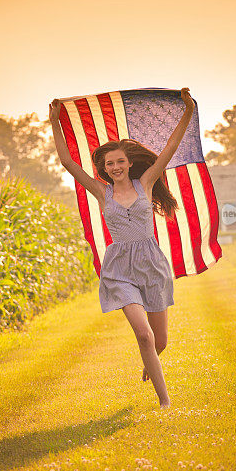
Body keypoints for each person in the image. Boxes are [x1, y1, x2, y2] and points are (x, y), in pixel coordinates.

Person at [49, 88, 195, 409]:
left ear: (129, 163)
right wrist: (54, 120)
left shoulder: (145, 184)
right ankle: (165, 402)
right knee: (144, 336)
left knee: (160, 342)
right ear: (104, 168)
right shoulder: (102, 192)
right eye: (109, 163)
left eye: (120, 162)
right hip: (120, 270)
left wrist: (188, 109)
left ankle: (150, 361)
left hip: (151, 266)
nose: (115, 167)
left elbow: (170, 147)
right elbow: (66, 161)